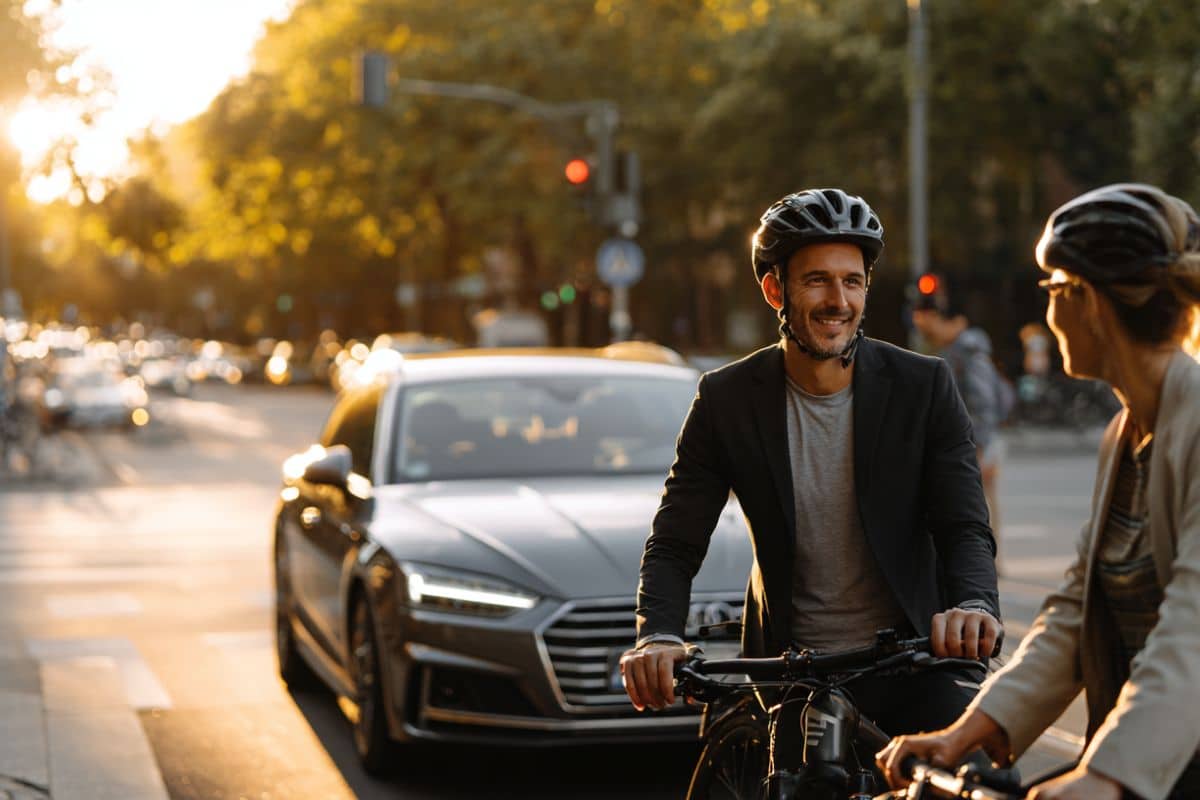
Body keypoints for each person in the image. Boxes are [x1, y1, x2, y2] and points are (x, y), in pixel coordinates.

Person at [620, 188, 1003, 750]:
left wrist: (972, 606)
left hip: (916, 660)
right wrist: (657, 634)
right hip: (789, 671)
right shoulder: (726, 400)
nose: (838, 300)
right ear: (775, 289)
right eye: (817, 280)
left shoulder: (924, 387)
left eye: (852, 281)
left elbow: (963, 525)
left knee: (983, 768)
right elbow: (675, 542)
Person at [878, 183, 1200, 800]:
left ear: (1090, 302)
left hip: (1161, 765)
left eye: (1054, 291)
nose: (1049, 315)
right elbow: (1077, 614)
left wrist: (1105, 776)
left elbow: (1190, 629)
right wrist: (968, 731)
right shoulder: (1125, 433)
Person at [912, 275, 1012, 570]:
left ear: (950, 321)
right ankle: (990, 562)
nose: (927, 331)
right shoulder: (957, 348)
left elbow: (981, 400)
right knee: (980, 502)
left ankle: (987, 563)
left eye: (929, 324)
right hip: (973, 441)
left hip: (977, 441)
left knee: (976, 504)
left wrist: (979, 445)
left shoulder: (968, 348)